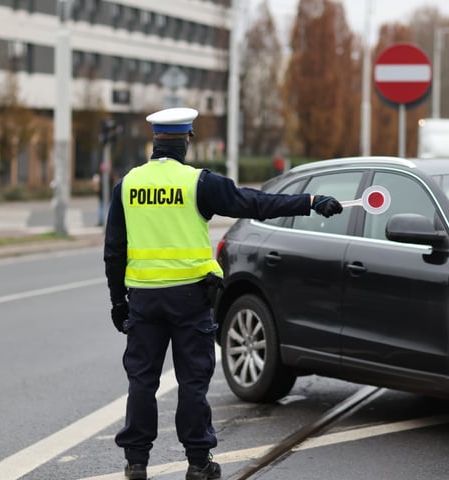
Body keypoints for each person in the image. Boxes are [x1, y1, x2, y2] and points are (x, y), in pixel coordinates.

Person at [103, 107, 343, 480]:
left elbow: (114, 249)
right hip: (190, 298)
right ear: (186, 140)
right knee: (193, 382)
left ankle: (136, 462)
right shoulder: (198, 183)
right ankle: (199, 463)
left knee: (142, 381)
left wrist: (118, 300)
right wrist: (310, 203)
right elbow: (255, 203)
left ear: (155, 142)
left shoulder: (128, 185)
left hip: (145, 300)